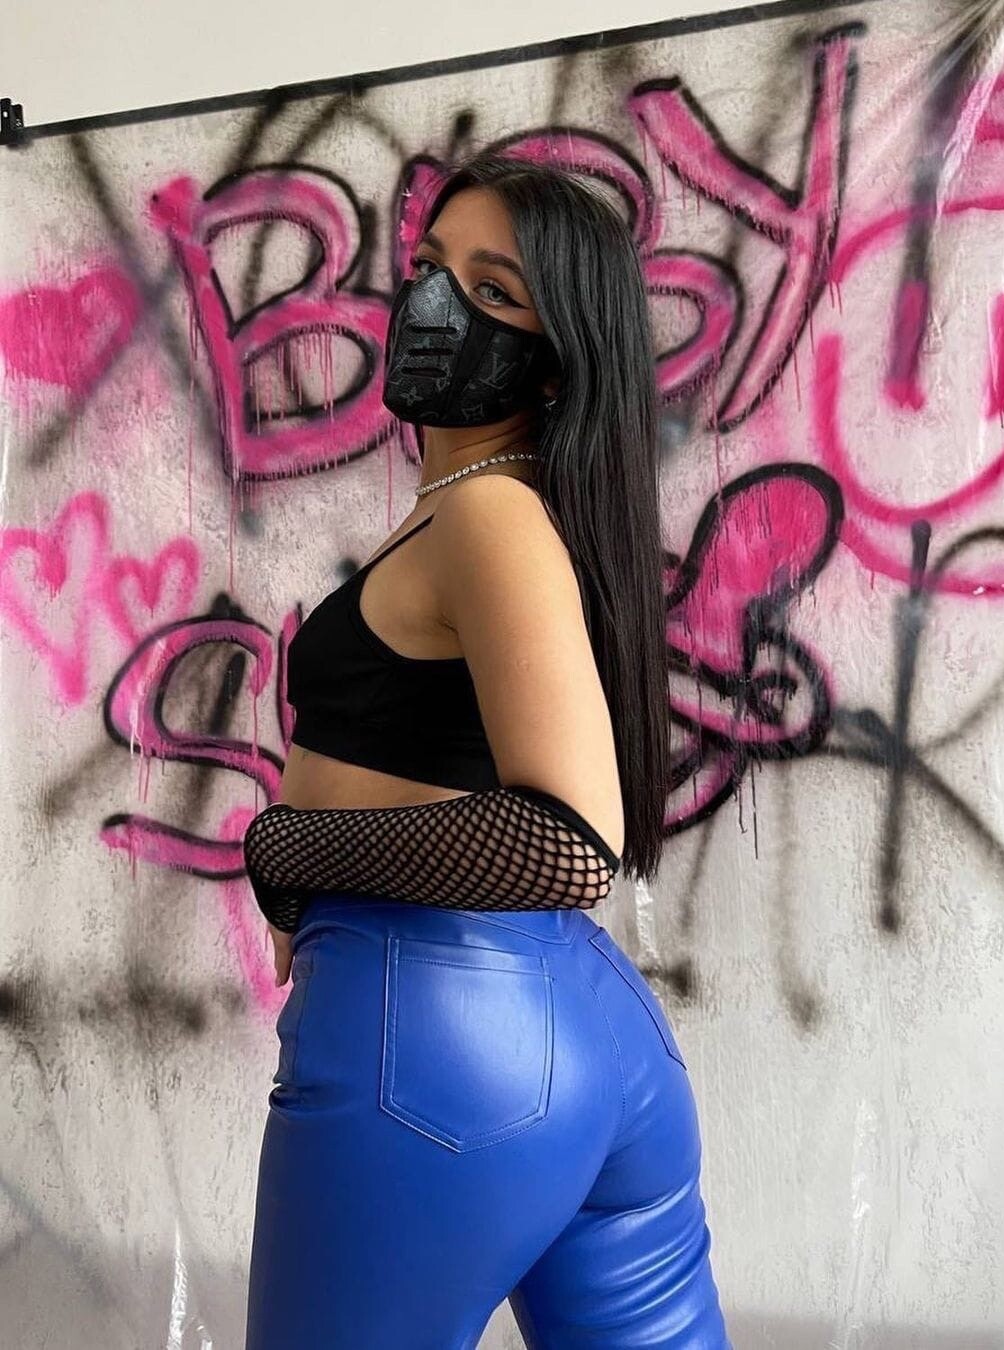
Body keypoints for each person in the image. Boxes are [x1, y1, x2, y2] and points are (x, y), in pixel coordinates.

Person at [242, 150, 734, 1349]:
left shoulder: (488, 513)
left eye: (494, 291)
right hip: (578, 1034)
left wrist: (288, 847)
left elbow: (569, 842)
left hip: (432, 1046)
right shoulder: (482, 510)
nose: (435, 303)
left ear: (557, 356)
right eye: (430, 266)